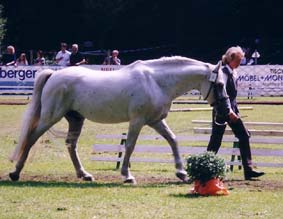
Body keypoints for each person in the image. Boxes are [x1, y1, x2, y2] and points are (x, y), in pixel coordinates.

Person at [207, 46, 265, 180]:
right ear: (231, 58)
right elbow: (223, 94)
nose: (240, 63)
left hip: (232, 110)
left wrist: (235, 110)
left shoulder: (233, 72)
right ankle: (205, 168)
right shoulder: (222, 72)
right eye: (239, 60)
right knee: (216, 141)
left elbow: (233, 97)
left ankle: (248, 170)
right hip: (222, 111)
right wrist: (229, 111)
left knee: (244, 136)